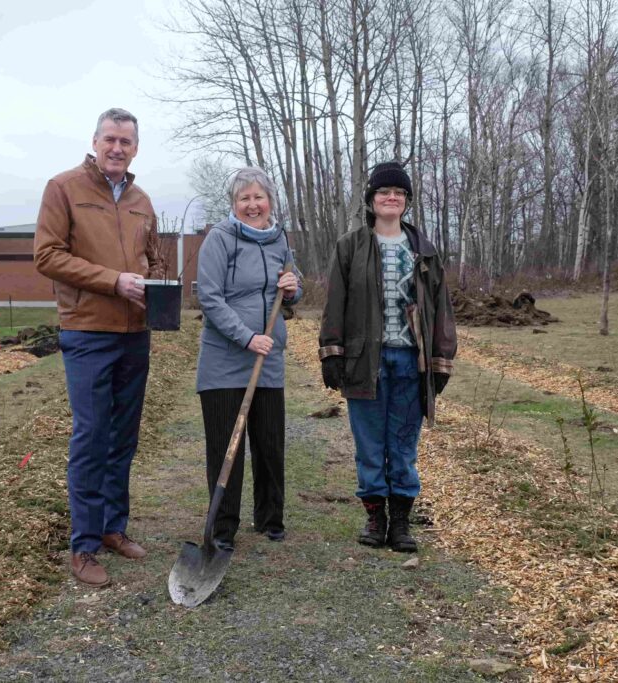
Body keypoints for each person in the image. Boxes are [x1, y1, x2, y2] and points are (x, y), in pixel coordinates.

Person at [34, 107, 166, 587]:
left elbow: (154, 259)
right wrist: (114, 281)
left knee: (123, 437)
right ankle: (84, 545)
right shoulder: (63, 188)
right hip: (88, 331)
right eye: (110, 139)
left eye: (125, 141)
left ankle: (113, 527)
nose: (117, 148)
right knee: (91, 437)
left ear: (136, 148)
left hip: (134, 333)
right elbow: (47, 255)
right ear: (94, 142)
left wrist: (155, 282)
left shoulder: (141, 200)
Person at [318, 161, 457, 553]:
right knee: (369, 445)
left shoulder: (424, 251)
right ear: (371, 199)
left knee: (403, 445)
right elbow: (335, 303)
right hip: (365, 361)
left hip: (412, 363)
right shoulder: (350, 247)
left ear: (407, 201)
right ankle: (375, 518)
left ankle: (401, 523)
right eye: (383, 192)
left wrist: (441, 360)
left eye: (398, 192)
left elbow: (441, 309)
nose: (391, 198)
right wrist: (332, 352)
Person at [196, 167, 302, 552]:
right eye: (245, 198)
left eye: (259, 197)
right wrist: (246, 337)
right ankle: (223, 528)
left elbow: (293, 285)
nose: (253, 205)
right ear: (234, 203)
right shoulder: (219, 239)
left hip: (267, 359)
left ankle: (270, 518)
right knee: (227, 447)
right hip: (225, 360)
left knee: (270, 443)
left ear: (270, 201)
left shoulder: (279, 239)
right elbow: (209, 298)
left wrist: (292, 287)